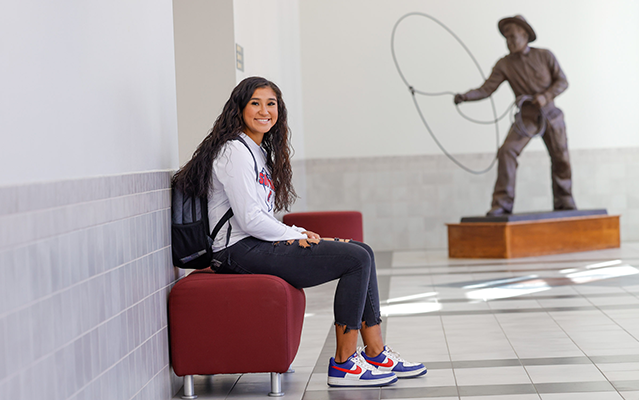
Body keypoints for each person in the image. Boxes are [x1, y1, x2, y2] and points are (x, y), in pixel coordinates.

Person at [172, 77, 426, 387]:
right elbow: (250, 220)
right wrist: (293, 233)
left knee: (363, 251)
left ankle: (375, 352)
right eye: (255, 103)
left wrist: (295, 232)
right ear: (238, 109)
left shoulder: (256, 150)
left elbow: (259, 217)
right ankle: (344, 365)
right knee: (355, 259)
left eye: (271, 104)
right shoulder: (233, 151)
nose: (264, 110)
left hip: (253, 246)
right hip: (236, 251)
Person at [454, 15, 577, 215]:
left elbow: (562, 82)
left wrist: (545, 96)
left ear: (525, 35)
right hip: (526, 118)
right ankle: (502, 204)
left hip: (551, 114)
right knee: (507, 151)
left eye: (512, 37)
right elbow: (486, 89)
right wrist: (465, 97)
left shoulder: (545, 56)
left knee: (561, 157)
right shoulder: (504, 64)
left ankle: (565, 201)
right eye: (506, 38)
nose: (509, 42)